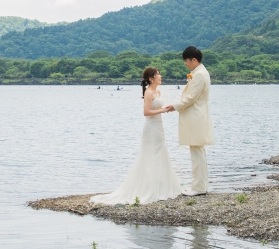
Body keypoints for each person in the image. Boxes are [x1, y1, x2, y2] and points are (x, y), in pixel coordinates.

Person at [91, 67, 182, 205]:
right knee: (151, 154)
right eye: (158, 74)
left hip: (159, 126)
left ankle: (162, 186)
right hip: (151, 127)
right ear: (151, 78)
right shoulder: (148, 92)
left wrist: (165, 109)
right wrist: (162, 110)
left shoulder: (158, 91)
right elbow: (146, 112)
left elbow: (157, 109)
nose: (160, 76)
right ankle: (149, 188)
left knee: (160, 153)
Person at [173, 45, 214, 195]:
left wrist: (174, 106)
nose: (186, 64)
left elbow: (192, 97)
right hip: (198, 114)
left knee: (197, 151)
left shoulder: (199, 74)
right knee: (198, 151)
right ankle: (200, 186)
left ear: (194, 60)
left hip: (196, 115)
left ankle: (198, 187)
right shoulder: (200, 72)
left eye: (187, 61)